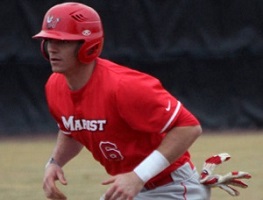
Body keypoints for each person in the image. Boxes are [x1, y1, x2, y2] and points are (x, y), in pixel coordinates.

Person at [33, 2, 211, 200]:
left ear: (88, 45)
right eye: (48, 40)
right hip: (131, 187)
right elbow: (71, 129)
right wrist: (54, 163)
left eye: (64, 42)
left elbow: (189, 127)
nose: (52, 49)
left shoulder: (123, 86)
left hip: (173, 187)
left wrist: (138, 176)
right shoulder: (55, 85)